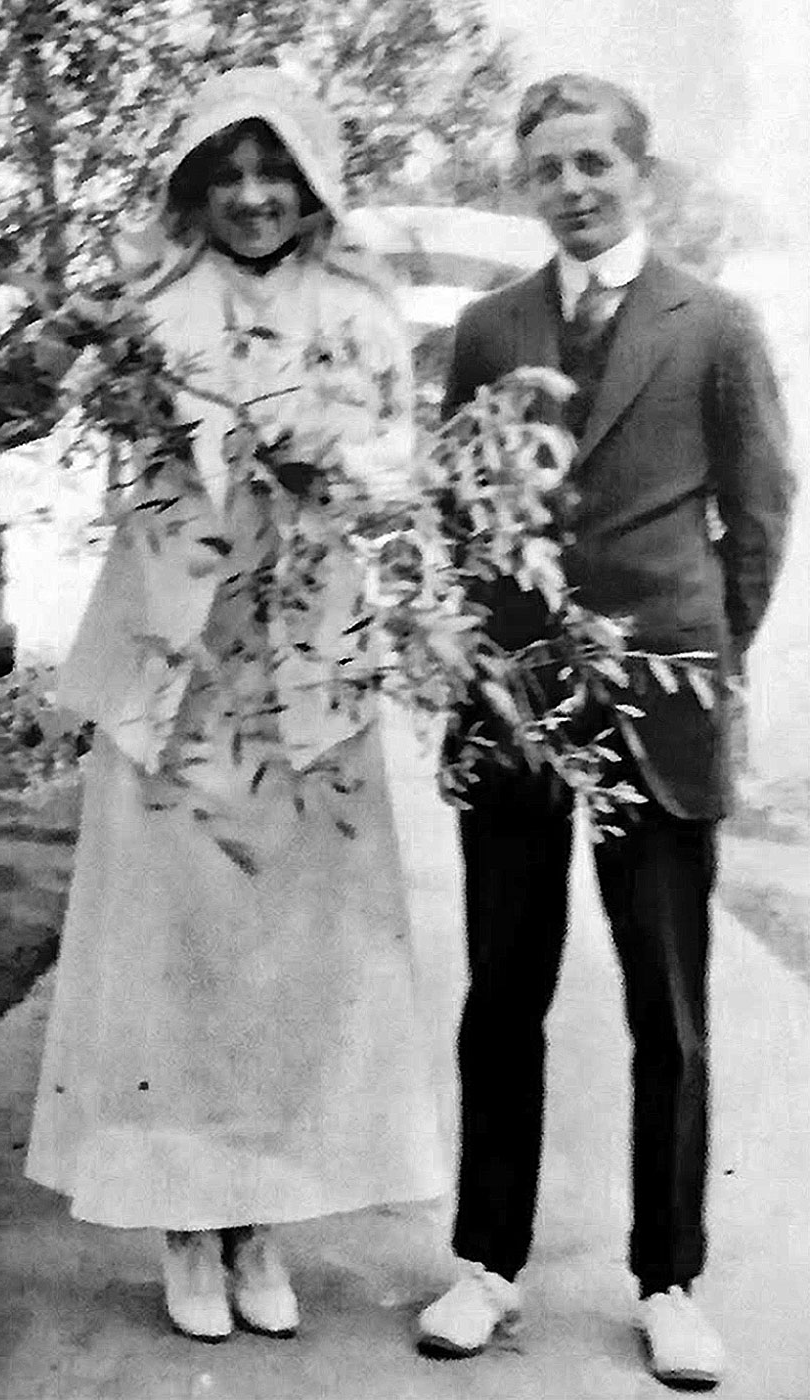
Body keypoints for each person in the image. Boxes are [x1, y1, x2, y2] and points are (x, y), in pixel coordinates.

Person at [25, 66, 448, 1344]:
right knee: (176, 953)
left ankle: (258, 1222)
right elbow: (45, 391)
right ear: (195, 189)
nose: (254, 198)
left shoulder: (360, 310)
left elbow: (401, 465)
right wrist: (73, 341)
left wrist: (338, 457)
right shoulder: (148, 302)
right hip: (177, 668)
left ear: (310, 184)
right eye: (229, 174)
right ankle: (182, 1226)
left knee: (289, 962)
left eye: (276, 173)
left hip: (307, 669)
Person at [415, 74, 796, 1389]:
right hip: (515, 706)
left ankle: (670, 1278)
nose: (573, 188)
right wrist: (485, 661)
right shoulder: (486, 326)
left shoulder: (717, 326)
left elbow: (756, 526)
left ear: (642, 171)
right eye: (549, 169)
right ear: (525, 185)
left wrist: (696, 665)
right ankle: (485, 1264)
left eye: (595, 163)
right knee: (500, 996)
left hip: (660, 711)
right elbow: (458, 518)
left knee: (666, 1013)